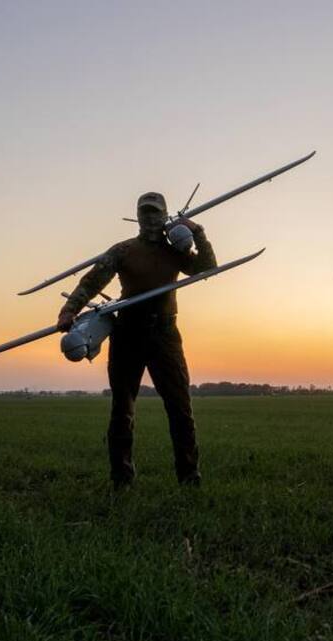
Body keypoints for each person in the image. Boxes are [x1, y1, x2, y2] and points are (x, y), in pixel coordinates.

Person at [57, 192, 216, 488]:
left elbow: (207, 267)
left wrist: (197, 230)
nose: (151, 218)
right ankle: (121, 480)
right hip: (128, 332)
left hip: (165, 335)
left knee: (180, 408)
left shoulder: (176, 252)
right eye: (145, 213)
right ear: (138, 217)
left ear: (165, 216)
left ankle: (189, 477)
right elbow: (92, 281)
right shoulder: (123, 250)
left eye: (156, 213)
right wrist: (69, 310)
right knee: (122, 408)